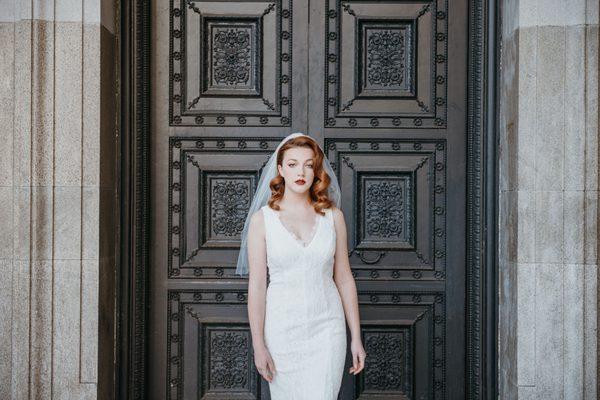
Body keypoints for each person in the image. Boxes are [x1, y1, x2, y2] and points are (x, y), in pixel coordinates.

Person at [236, 132, 366, 399]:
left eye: (308, 164)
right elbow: (258, 285)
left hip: (328, 328)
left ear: (316, 171)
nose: (301, 172)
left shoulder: (334, 218)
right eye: (293, 164)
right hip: (282, 330)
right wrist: (259, 345)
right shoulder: (263, 221)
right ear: (281, 169)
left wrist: (356, 337)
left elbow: (344, 278)